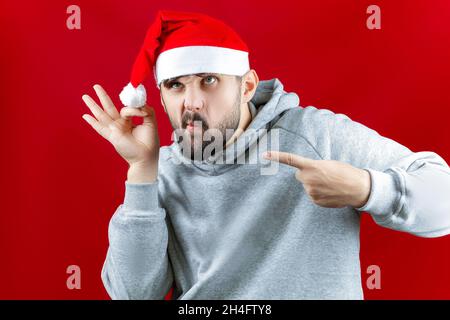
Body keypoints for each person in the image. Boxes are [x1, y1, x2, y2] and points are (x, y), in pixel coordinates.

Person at [81, 10, 450, 299]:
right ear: (160, 96)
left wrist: (368, 189)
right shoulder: (163, 171)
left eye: (209, 80)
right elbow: (132, 294)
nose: (191, 103)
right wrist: (141, 170)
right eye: (176, 86)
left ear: (248, 86)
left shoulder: (314, 135)